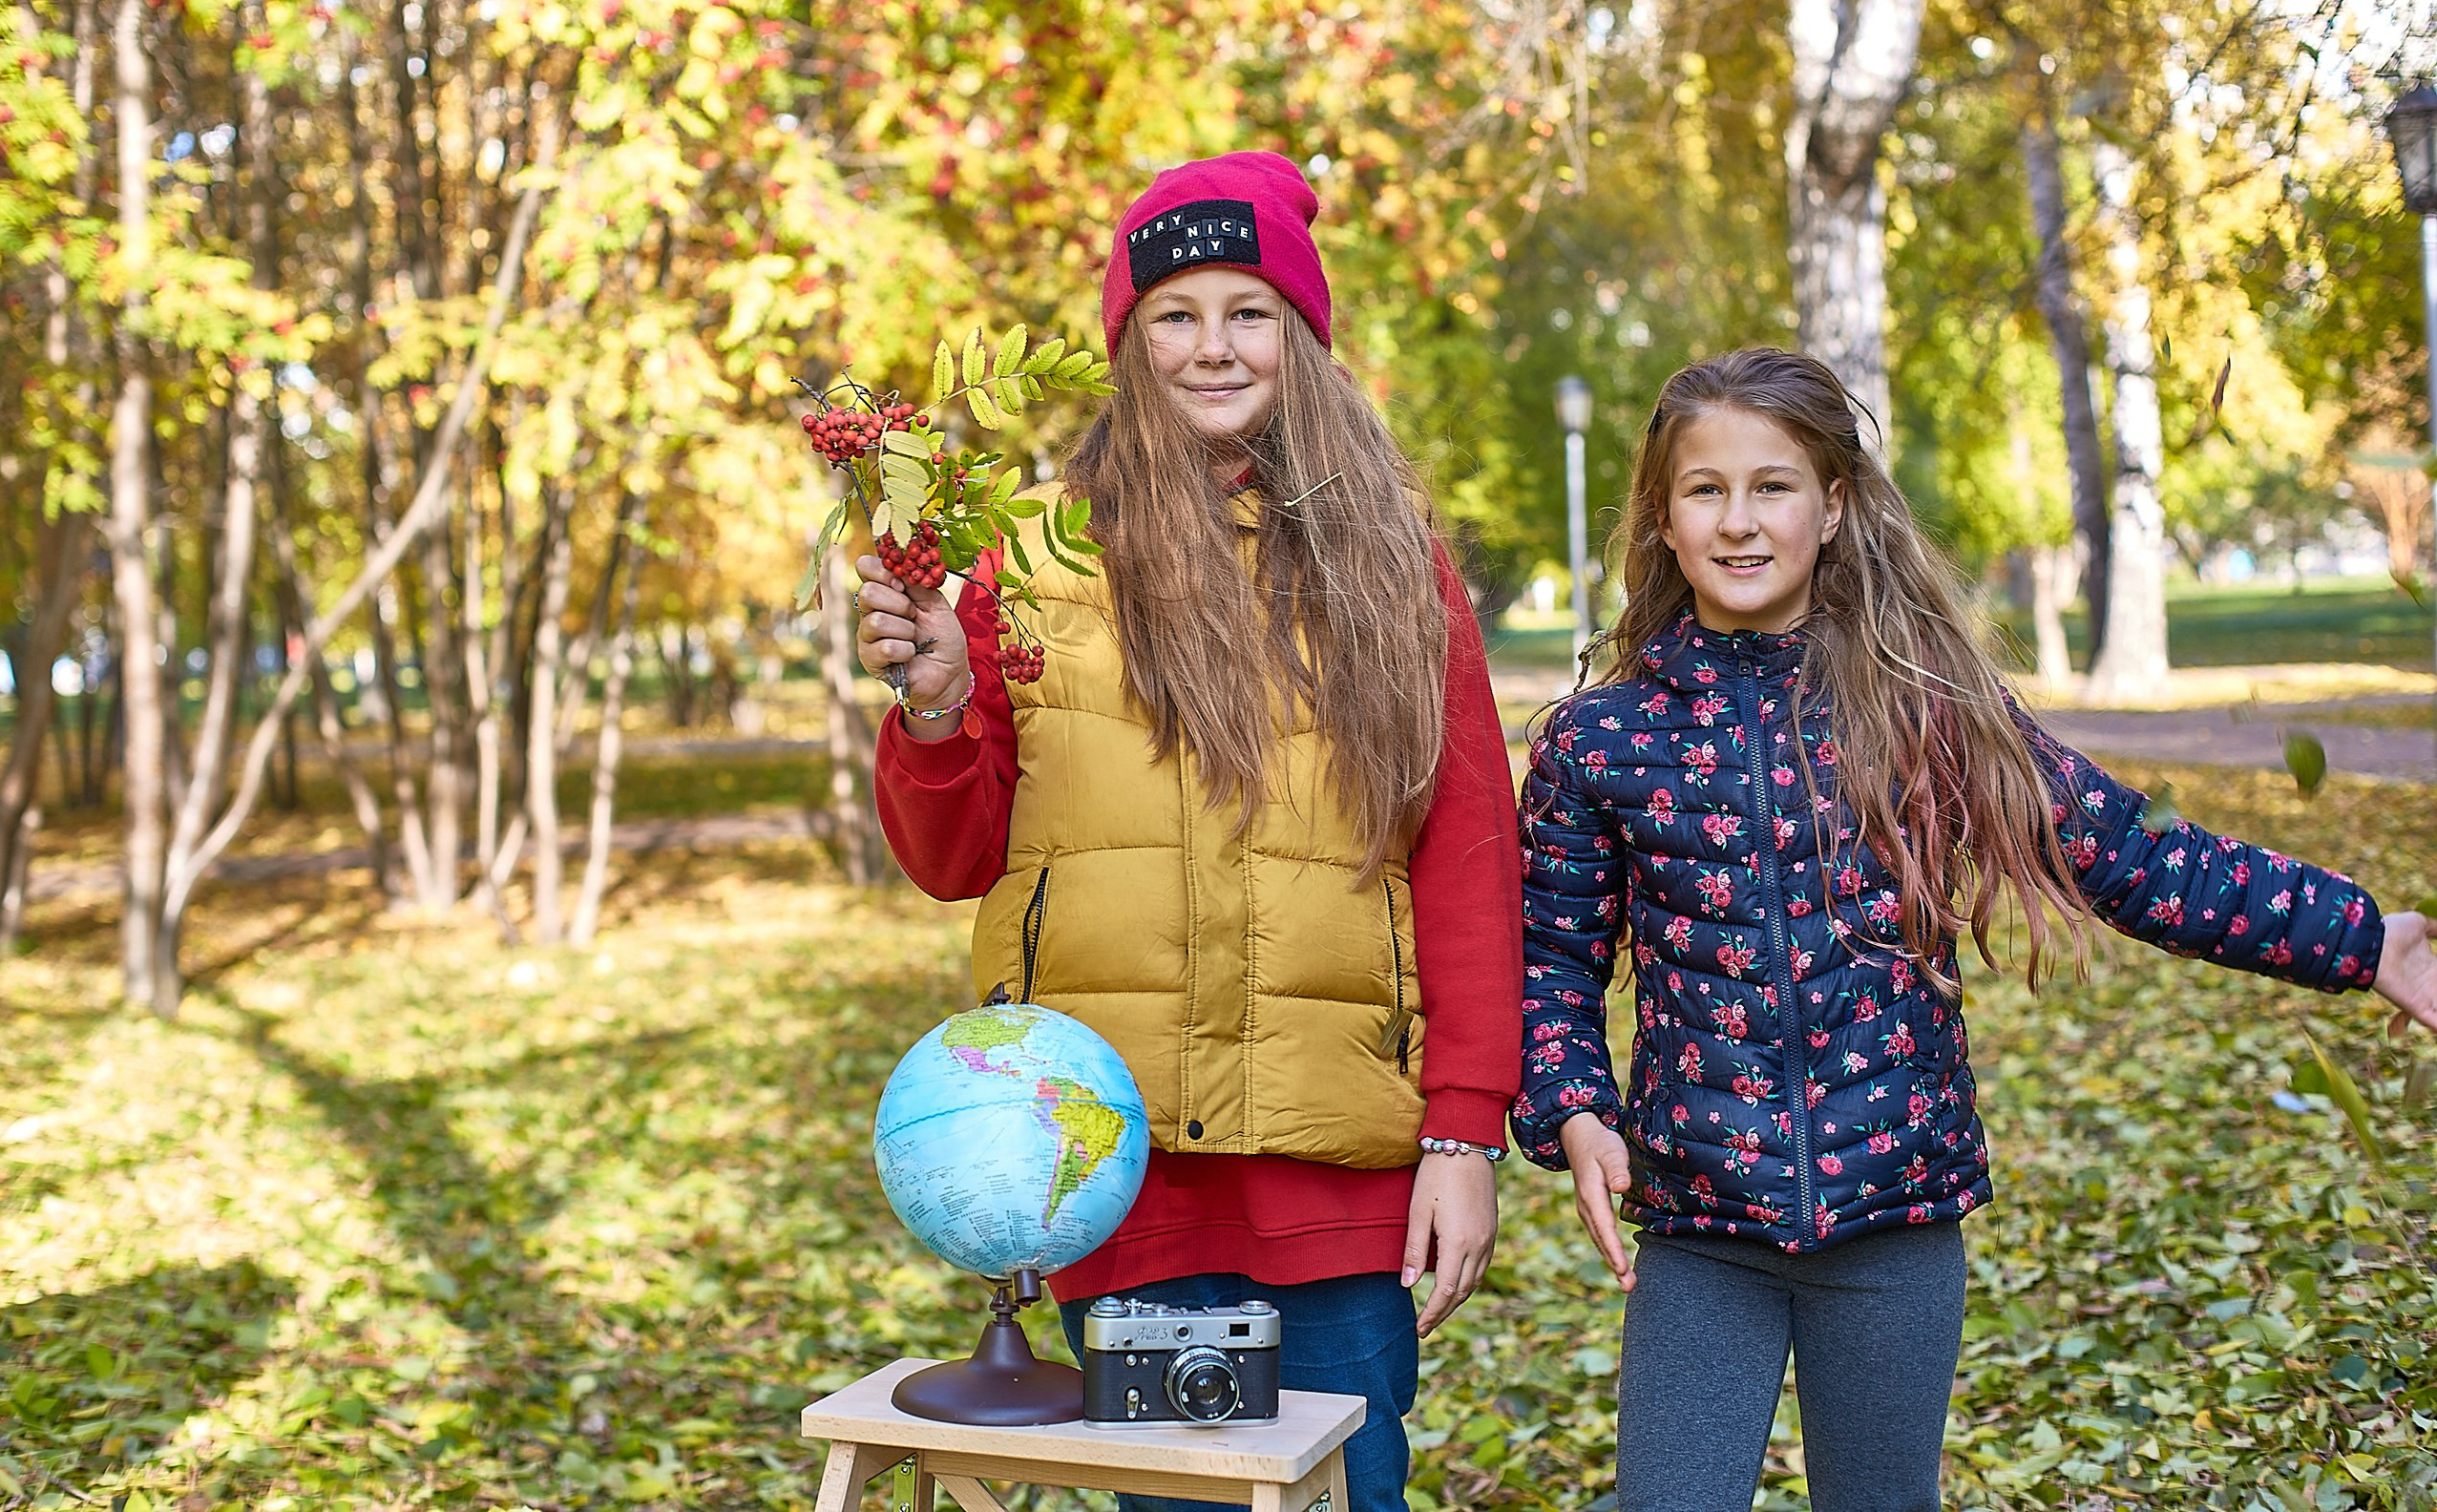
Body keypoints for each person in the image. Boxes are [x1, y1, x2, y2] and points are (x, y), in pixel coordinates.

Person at [1509, 346, 2437, 1512]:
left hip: (1896, 1218)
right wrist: (1576, 1108)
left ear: (1834, 508)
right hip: (1702, 1232)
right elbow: (1548, 959)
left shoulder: (1922, 705)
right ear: (1661, 516)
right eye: (1706, 490)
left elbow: (2127, 855)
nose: (1739, 521)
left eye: (1774, 486)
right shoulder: (1597, 742)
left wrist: (2361, 938)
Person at [855, 150, 1523, 1512]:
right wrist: (933, 705)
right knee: (1182, 1501)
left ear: (1304, 335)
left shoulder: (1394, 557)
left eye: (1249, 308)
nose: (1211, 345)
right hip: (1121, 1167)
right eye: (1175, 311)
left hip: (1336, 1172)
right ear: (1127, 335)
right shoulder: (1028, 556)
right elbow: (953, 857)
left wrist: (1465, 1132)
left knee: (1344, 1492)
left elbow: (1465, 860)